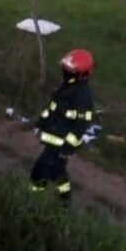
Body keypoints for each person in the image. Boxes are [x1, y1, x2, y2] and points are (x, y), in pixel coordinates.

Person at [30, 49, 95, 203]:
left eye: (70, 71)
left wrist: (68, 148)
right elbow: (52, 109)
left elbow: (81, 125)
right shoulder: (65, 88)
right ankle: (65, 201)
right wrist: (40, 123)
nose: (66, 73)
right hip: (53, 139)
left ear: (81, 74)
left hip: (61, 145)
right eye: (65, 70)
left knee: (39, 172)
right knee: (57, 171)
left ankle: (33, 201)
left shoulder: (82, 96)